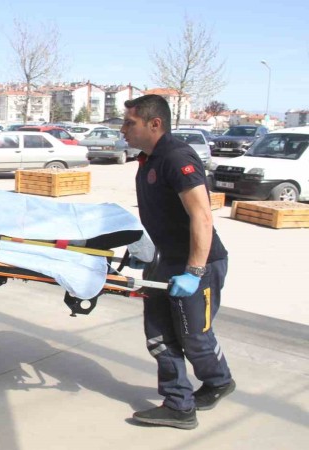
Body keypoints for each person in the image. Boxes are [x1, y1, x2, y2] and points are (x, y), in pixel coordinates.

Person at [120, 94, 235, 430]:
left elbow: (202, 216)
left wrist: (194, 272)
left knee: (194, 338)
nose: (123, 129)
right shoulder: (147, 160)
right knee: (158, 336)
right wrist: (145, 250)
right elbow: (159, 215)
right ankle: (178, 404)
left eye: (130, 123)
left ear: (154, 124)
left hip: (197, 264)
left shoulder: (176, 157)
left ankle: (218, 381)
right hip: (163, 262)